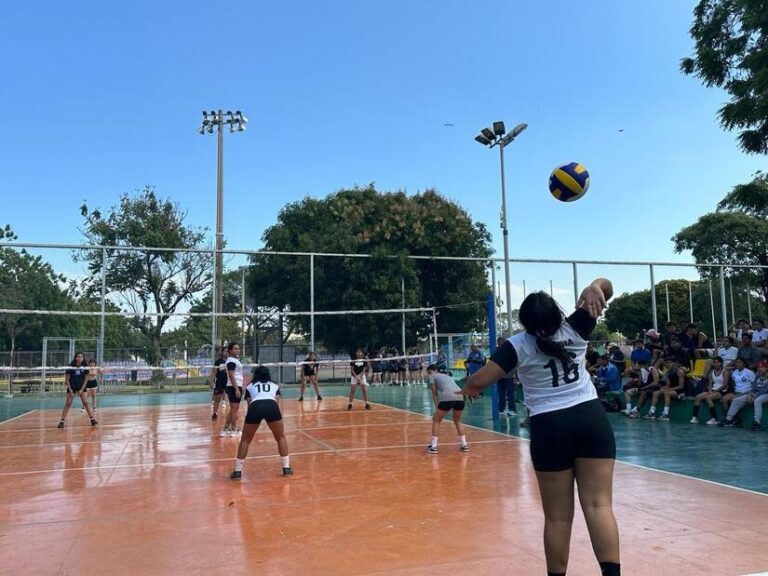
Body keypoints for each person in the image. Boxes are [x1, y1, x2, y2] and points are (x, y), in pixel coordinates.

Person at [462, 278, 620, 576]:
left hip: (550, 428)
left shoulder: (517, 346)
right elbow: (605, 289)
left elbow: (479, 381)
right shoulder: (577, 325)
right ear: (557, 313)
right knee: (599, 506)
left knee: (558, 518)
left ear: (526, 323)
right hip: (591, 420)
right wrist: (595, 286)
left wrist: (468, 388)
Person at [230, 365, 292, 479]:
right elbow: (276, 401)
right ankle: (286, 468)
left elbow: (249, 403)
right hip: (272, 406)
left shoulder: (250, 386)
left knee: (245, 440)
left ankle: (237, 471)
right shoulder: (275, 385)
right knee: (281, 437)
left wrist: (254, 417)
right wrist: (272, 416)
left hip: (256, 406)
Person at [425, 364, 469, 453]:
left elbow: (434, 393)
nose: (429, 374)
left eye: (430, 372)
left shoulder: (432, 376)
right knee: (457, 420)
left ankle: (433, 447)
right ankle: (464, 445)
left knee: (436, 420)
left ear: (434, 370)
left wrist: (437, 406)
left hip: (448, 397)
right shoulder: (447, 376)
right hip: (460, 396)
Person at [58, 352, 98, 428]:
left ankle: (92, 419)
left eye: (81, 357)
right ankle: (62, 421)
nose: (80, 358)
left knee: (85, 403)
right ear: (75, 358)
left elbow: (86, 378)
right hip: (72, 387)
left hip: (81, 387)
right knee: (68, 403)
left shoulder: (85, 367)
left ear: (83, 358)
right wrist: (70, 390)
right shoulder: (71, 367)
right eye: (78, 356)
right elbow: (67, 379)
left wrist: (82, 389)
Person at [643, 357, 686, 421]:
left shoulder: (680, 372)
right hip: (671, 389)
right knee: (656, 393)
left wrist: (668, 389)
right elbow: (668, 385)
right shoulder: (668, 372)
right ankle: (651, 412)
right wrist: (663, 388)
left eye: (670, 363)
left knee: (666, 393)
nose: (668, 364)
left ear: (674, 363)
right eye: (667, 363)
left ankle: (665, 414)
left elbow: (681, 386)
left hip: (679, 392)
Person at [690, 356, 730, 425]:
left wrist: (716, 391)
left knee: (708, 398)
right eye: (714, 362)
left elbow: (725, 385)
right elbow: (710, 383)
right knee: (698, 397)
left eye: (717, 362)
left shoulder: (725, 372)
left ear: (721, 363)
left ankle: (714, 419)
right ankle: (694, 417)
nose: (715, 364)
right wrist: (710, 390)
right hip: (713, 390)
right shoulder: (712, 371)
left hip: (722, 391)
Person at [719, 357, 755, 426]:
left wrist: (751, 393)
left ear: (744, 364)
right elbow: (734, 383)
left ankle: (732, 419)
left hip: (746, 392)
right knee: (724, 399)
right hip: (737, 392)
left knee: (733, 400)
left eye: (740, 362)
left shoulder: (749, 372)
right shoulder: (734, 372)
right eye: (736, 362)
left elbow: (754, 384)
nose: (738, 364)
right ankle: (729, 418)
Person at [222, 342, 244, 437]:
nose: (237, 350)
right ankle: (234, 429)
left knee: (233, 409)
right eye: (235, 349)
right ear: (230, 350)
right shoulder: (231, 361)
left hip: (235, 385)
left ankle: (226, 428)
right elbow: (231, 375)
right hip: (233, 386)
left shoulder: (234, 360)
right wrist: (236, 389)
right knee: (234, 409)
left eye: (238, 348)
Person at [496, 337, 517, 417]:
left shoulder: (510, 350)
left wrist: (515, 376)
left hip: (509, 375)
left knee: (510, 393)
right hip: (499, 375)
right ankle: (501, 409)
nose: (500, 343)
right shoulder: (497, 351)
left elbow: (514, 363)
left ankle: (512, 410)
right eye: (498, 342)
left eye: (501, 342)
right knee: (501, 392)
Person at [209, 347, 229, 421]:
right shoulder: (218, 361)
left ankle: (233, 414)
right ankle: (215, 413)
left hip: (229, 382)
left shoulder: (231, 361)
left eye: (227, 351)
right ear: (222, 352)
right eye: (225, 351)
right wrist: (212, 382)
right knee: (217, 398)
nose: (226, 353)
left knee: (232, 399)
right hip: (220, 382)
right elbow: (214, 372)